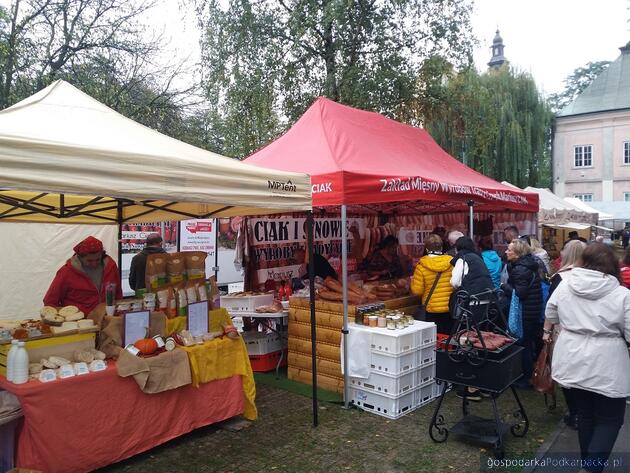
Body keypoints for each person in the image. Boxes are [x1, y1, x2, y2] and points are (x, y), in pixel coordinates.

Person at [543, 243, 630, 473]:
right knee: (610, 419)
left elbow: (550, 313)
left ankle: (588, 466)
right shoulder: (622, 295)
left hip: (572, 355)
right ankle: (591, 468)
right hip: (608, 361)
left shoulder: (565, 284)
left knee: (586, 414)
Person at [546, 239, 587, 430]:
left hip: (564, 330)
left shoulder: (560, 278)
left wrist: (546, 331)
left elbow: (551, 308)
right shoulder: (593, 277)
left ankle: (575, 412)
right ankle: (582, 409)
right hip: (587, 331)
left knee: (565, 372)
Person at [450, 236, 495, 402]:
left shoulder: (462, 258)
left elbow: (455, 282)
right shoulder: (478, 257)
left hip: (473, 302)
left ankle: (472, 387)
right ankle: (483, 385)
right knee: (479, 339)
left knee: (468, 339)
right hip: (486, 300)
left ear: (457, 247)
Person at [43, 236, 122, 314]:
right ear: (80, 257)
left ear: (102, 254)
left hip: (106, 317)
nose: (94, 264)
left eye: (97, 259)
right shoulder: (67, 272)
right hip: (79, 322)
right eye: (89, 261)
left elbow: (118, 293)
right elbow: (50, 301)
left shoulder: (111, 266)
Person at [502, 238, 543, 389]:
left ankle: (525, 378)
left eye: (510, 250)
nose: (506, 251)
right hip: (532, 310)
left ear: (518, 253)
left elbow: (520, 293)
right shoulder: (528, 264)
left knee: (523, 345)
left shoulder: (520, 269)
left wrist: (504, 286)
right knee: (527, 344)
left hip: (525, 312)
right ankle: (528, 375)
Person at [410, 234, 454, 334]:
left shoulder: (421, 266)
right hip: (449, 307)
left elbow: (417, 291)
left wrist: (412, 282)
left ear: (426, 249)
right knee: (447, 339)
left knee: (432, 339)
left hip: (431, 309)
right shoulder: (451, 262)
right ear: (441, 247)